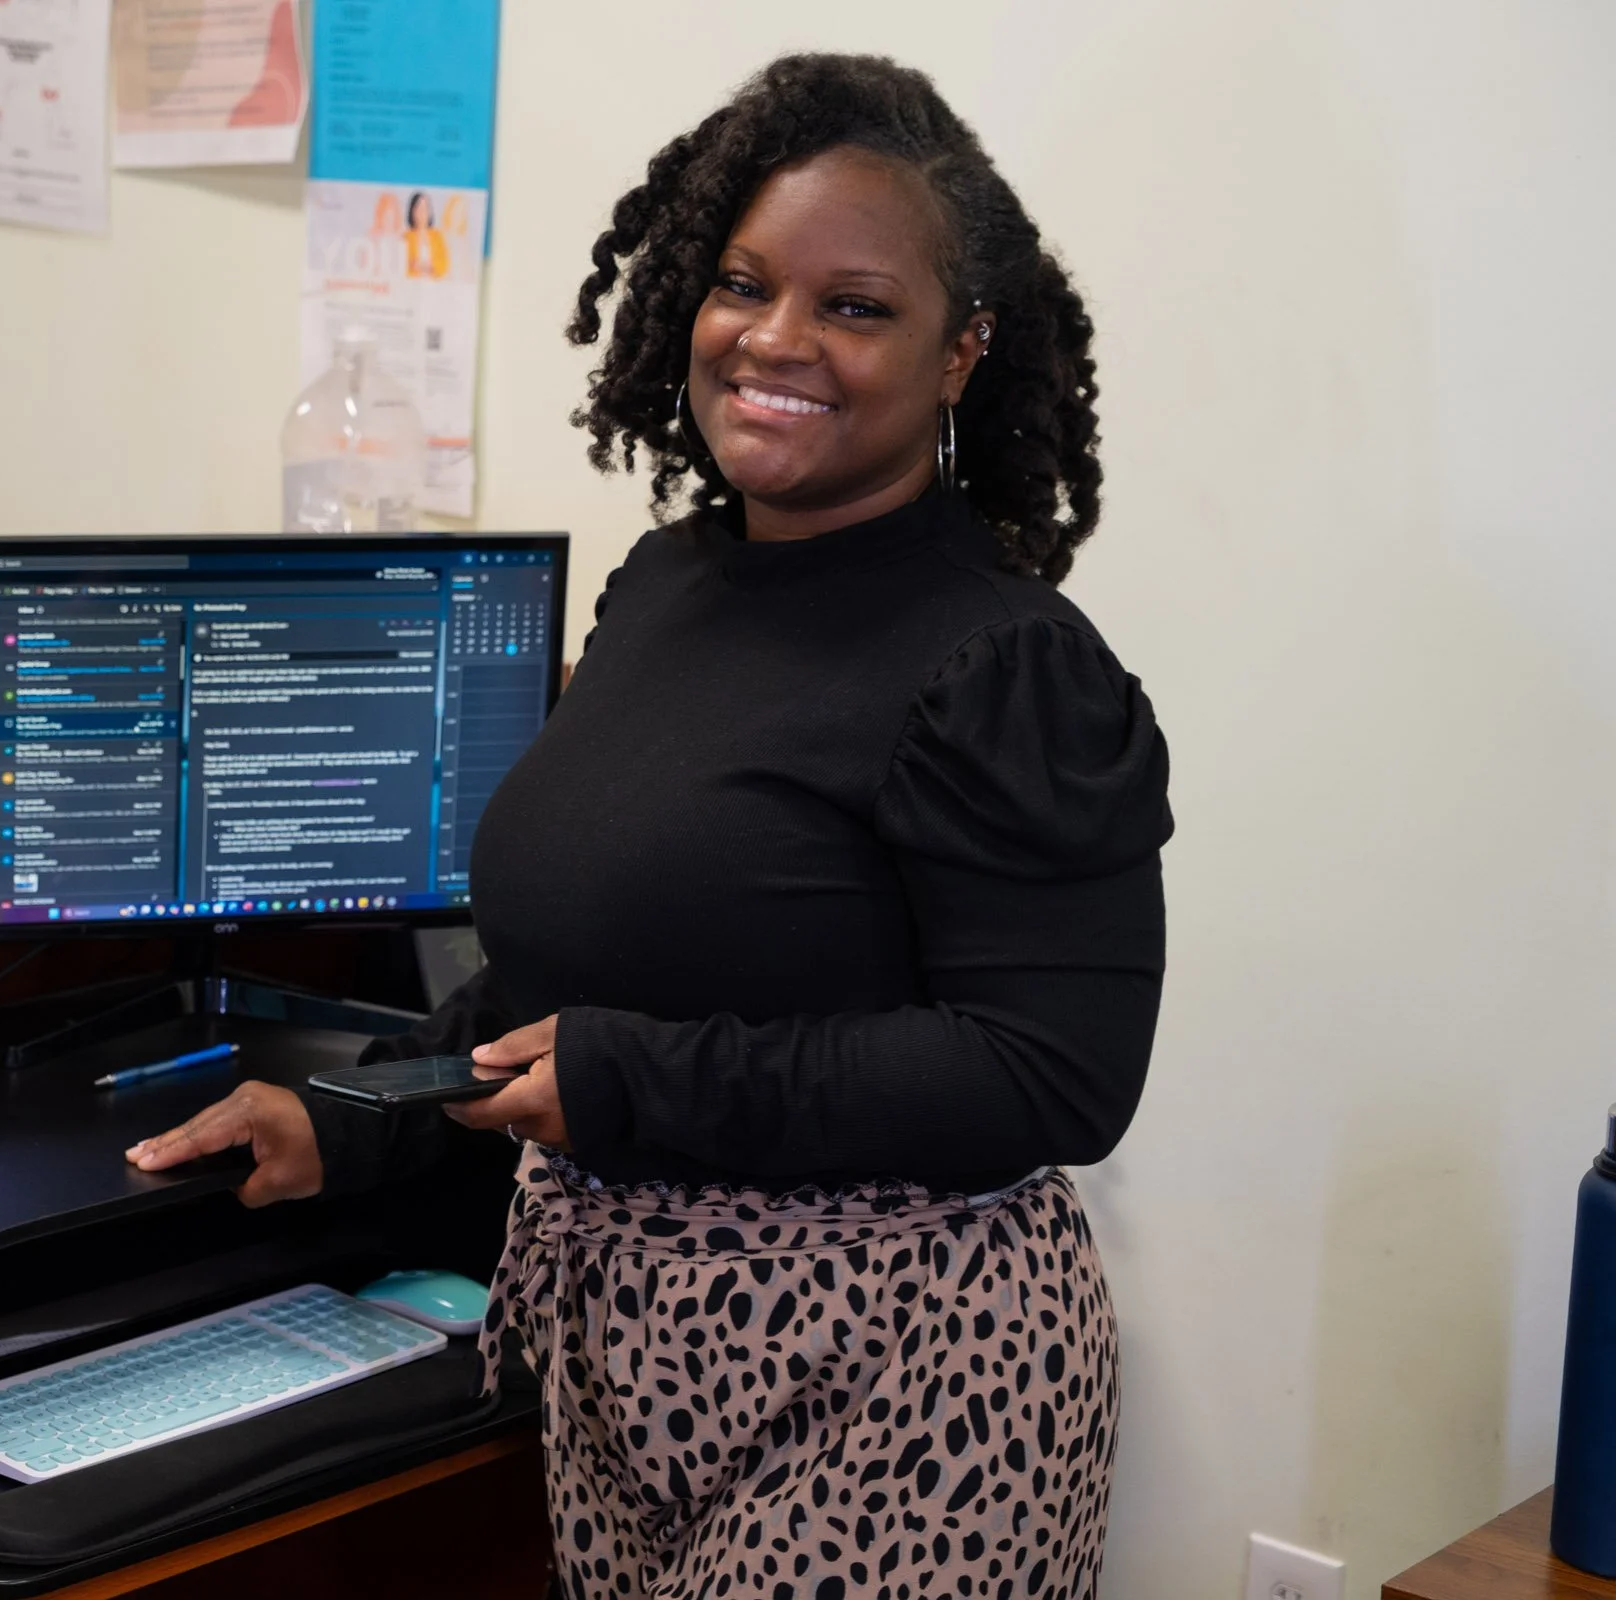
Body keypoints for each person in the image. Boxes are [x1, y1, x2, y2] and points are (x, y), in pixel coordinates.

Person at [130, 51, 1169, 1600]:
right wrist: (356, 1115)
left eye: (855, 306)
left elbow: (1054, 1075)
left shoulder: (1008, 663)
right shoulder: (668, 584)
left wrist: (636, 1078)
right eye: (745, 284)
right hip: (629, 1370)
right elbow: (588, 960)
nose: (778, 339)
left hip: (907, 1383)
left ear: (963, 349)